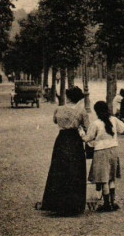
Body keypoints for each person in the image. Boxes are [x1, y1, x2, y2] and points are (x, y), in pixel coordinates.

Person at [40, 86, 88, 216]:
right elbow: (86, 127)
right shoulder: (81, 111)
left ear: (67, 97)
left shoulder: (59, 109)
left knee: (59, 169)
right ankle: (73, 205)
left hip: (61, 140)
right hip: (74, 141)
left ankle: (56, 203)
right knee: (74, 170)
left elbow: (55, 121)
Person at [84, 101, 124, 212]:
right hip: (114, 149)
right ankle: (113, 202)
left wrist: (82, 135)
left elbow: (88, 138)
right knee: (111, 177)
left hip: (101, 151)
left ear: (96, 111)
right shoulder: (113, 119)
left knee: (104, 179)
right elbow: (122, 128)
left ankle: (106, 204)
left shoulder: (96, 123)